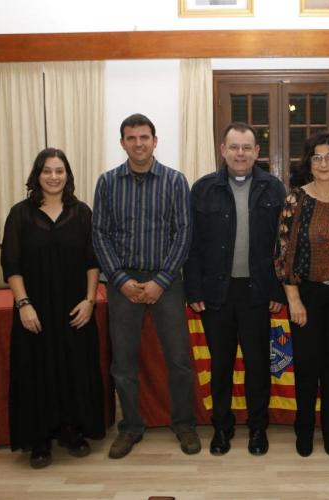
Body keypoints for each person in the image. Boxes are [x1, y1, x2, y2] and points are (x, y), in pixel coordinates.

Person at [92, 113, 200, 459]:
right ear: (122, 143)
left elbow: (184, 234)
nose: (138, 143)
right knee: (123, 363)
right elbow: (99, 234)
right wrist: (120, 280)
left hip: (166, 282)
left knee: (179, 359)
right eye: (131, 138)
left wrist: (161, 281)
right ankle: (131, 427)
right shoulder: (107, 183)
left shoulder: (175, 181)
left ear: (155, 141)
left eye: (144, 137)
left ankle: (184, 424)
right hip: (122, 283)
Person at [184, 122, 286, 456]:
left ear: (257, 152)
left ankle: (258, 428)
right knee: (221, 366)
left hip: (258, 293)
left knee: (257, 365)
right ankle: (221, 427)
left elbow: (282, 246)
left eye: (246, 148)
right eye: (234, 147)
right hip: (217, 293)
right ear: (223, 150)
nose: (240, 154)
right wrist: (193, 290)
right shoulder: (203, 189)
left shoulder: (274, 189)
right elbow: (193, 245)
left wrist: (278, 291)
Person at [1, 148, 105, 469]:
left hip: (75, 308)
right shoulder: (20, 214)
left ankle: (72, 430)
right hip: (35, 310)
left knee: (75, 369)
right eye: (47, 170)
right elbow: (11, 265)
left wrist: (89, 301)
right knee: (36, 372)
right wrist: (23, 304)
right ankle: (40, 438)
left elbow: (92, 262)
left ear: (67, 175)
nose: (54, 176)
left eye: (59, 171)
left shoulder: (82, 213)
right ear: (37, 175)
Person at [275, 131, 329, 457]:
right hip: (307, 295)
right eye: (317, 157)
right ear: (309, 163)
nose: (324, 163)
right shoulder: (295, 199)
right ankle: (303, 428)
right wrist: (294, 299)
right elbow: (283, 254)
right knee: (307, 365)